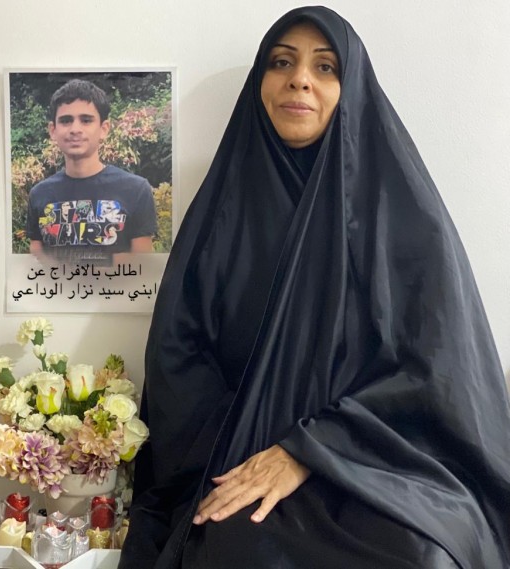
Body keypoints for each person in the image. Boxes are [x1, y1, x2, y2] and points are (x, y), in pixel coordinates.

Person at [120, 7, 510, 569]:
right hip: (244, 458)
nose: (300, 79)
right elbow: (179, 360)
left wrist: (310, 450)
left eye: (325, 67)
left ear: (351, 89)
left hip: (384, 467)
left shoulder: (400, 213)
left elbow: (437, 372)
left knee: (423, 557)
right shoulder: (222, 214)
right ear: (261, 83)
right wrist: (256, 449)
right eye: (282, 62)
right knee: (232, 547)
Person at [26, 79, 157, 265]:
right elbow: (37, 265)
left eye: (86, 120)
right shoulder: (39, 194)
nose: (75, 129)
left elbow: (142, 266)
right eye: (66, 121)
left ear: (104, 129)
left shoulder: (136, 189)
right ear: (53, 130)